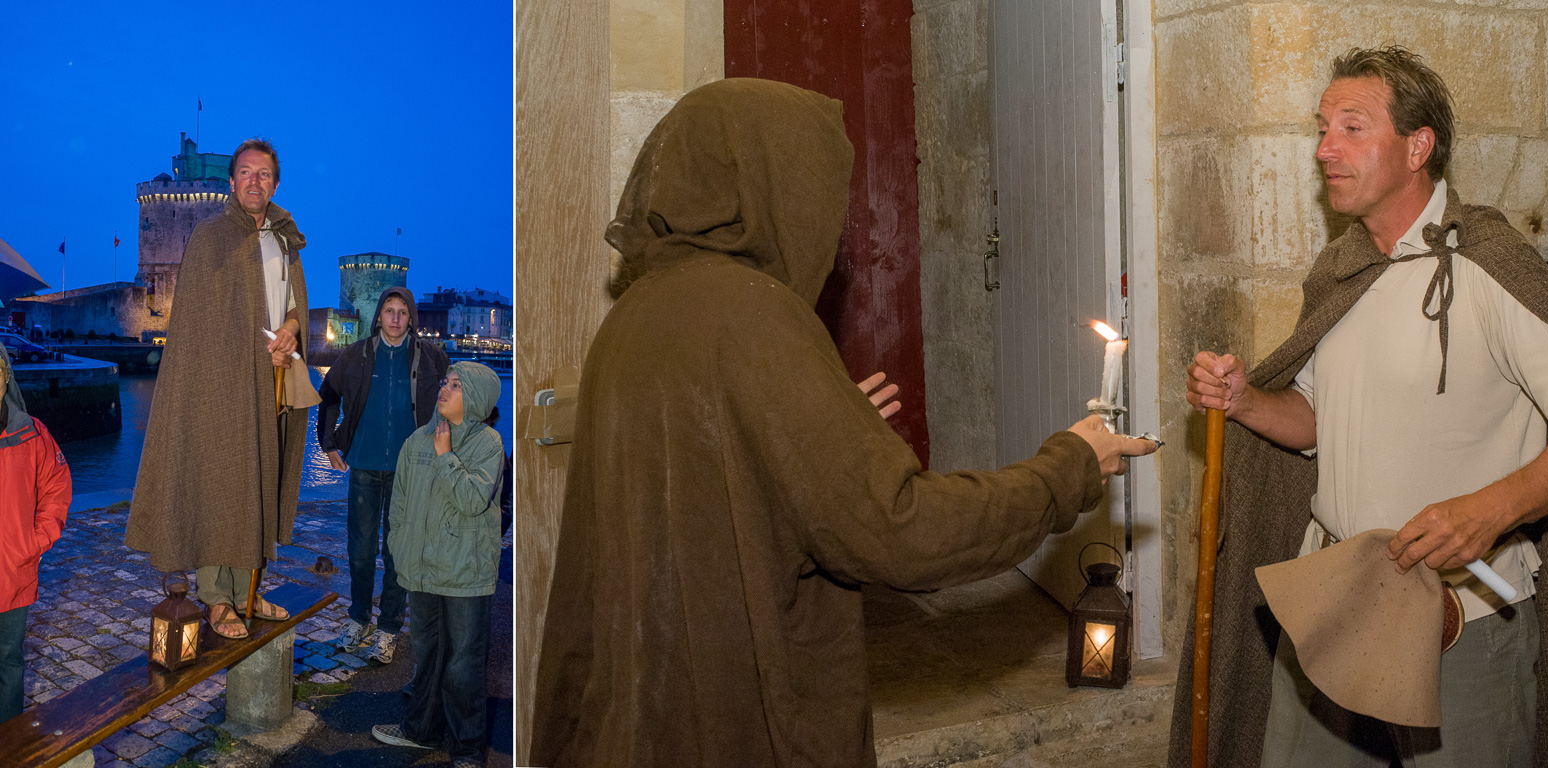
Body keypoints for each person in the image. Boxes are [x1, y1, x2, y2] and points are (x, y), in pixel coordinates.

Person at [527, 78, 1159, 768]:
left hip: (641, 706)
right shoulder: (754, 315)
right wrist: (1066, 465)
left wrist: (825, 425)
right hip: (731, 716)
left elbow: (709, 469)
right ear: (774, 181)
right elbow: (902, 533)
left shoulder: (640, 310)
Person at [1172, 47, 1548, 767]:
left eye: (1351, 128)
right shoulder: (1343, 269)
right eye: (1322, 128)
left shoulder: (1485, 265)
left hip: (1460, 617)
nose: (1324, 148)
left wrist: (1490, 509)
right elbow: (1319, 422)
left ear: (1417, 146)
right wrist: (1247, 402)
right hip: (1331, 602)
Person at [126, 138, 315, 640]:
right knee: (221, 483)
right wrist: (251, 352)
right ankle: (217, 598)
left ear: (276, 182)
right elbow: (201, 324)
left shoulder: (284, 239)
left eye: (265, 174)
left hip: (273, 378)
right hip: (220, 382)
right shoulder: (210, 236)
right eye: (247, 173)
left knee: (258, 480)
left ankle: (249, 589)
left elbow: (295, 305)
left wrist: (293, 332)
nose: (256, 181)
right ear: (232, 183)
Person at [372, 362, 504, 768]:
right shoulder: (416, 441)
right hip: (424, 570)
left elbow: (471, 501)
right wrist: (398, 541)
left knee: (463, 664)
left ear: (477, 397)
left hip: (465, 573)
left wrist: (446, 456)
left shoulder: (489, 443)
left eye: (456, 385)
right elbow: (399, 503)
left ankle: (467, 750)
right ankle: (421, 732)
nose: (444, 389)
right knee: (427, 655)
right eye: (445, 382)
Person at [318, 287, 450, 663]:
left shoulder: (433, 359)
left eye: (402, 312)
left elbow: (454, 406)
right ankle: (358, 619)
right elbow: (328, 397)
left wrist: (444, 452)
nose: (395, 318)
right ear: (378, 316)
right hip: (362, 463)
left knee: (398, 554)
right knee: (360, 551)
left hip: (410, 471)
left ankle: (389, 628)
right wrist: (329, 446)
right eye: (389, 311)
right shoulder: (355, 355)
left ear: (411, 319)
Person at [0, 349, 71, 722]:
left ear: (5, 377)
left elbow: (57, 488)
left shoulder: (31, 432)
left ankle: (8, 746)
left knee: (8, 662)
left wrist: (37, 539)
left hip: (12, 573)